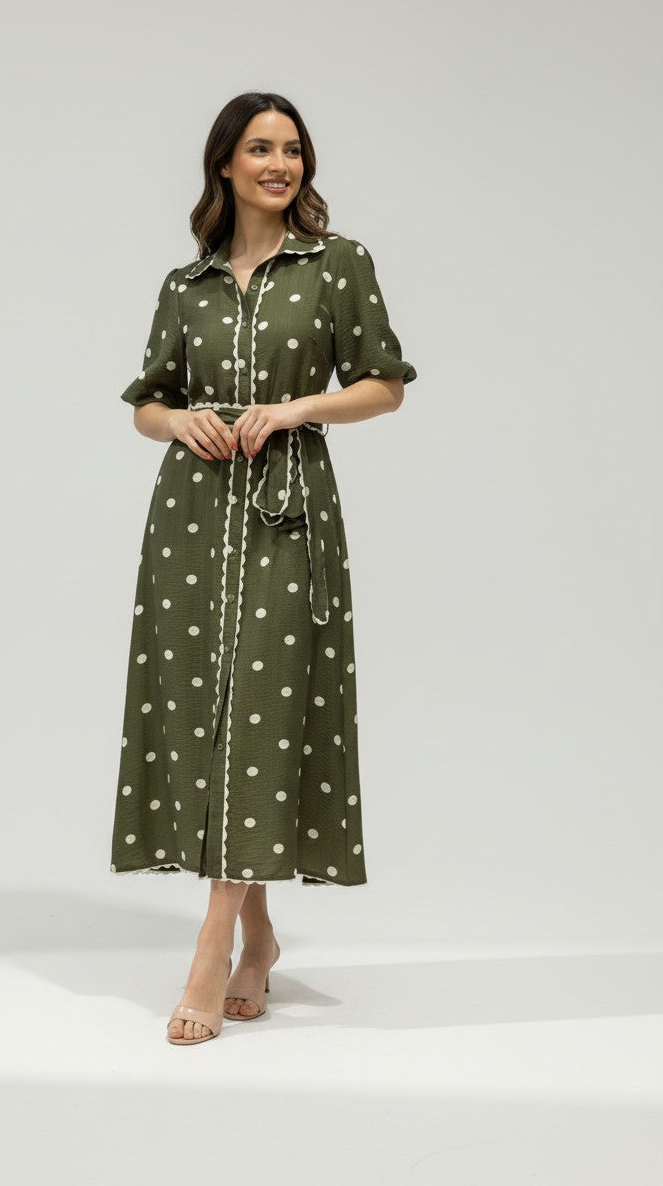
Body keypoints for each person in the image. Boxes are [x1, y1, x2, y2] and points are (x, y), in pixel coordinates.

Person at [110, 91, 417, 1045]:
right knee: (204, 713)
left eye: (292, 149)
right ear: (225, 164)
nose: (281, 164)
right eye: (260, 148)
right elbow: (145, 404)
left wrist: (295, 410)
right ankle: (259, 937)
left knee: (264, 707)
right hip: (192, 516)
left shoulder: (337, 264)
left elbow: (385, 386)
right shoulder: (186, 283)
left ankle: (211, 948)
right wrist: (180, 420)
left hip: (287, 510)